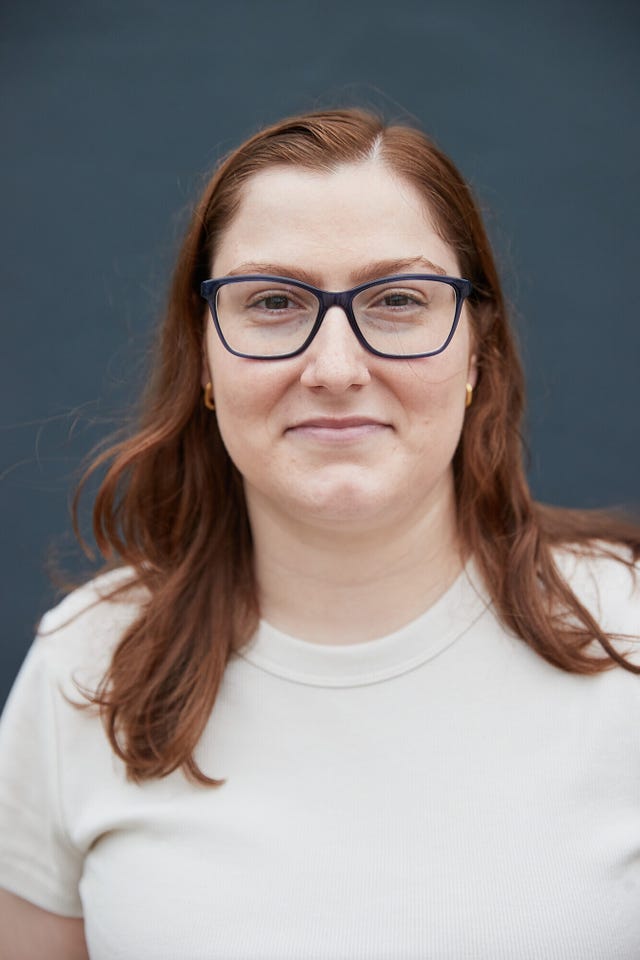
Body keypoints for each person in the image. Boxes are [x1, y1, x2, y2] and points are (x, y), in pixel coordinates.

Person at [0, 108, 638, 960]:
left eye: (399, 300)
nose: (336, 369)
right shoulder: (86, 662)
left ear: (477, 350)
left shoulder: (629, 634)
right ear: (206, 359)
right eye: (272, 301)